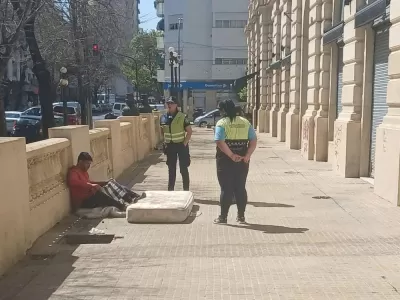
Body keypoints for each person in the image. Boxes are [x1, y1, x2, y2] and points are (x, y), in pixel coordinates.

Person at [213, 99, 257, 224]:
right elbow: (253, 140)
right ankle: (241, 216)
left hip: (225, 161)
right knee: (240, 188)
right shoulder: (245, 122)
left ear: (224, 111)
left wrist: (231, 155)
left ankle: (223, 217)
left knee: (226, 189)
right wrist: (248, 155)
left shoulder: (221, 123)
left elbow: (220, 142)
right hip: (243, 161)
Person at [67, 152, 140, 212]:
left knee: (111, 184)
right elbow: (74, 182)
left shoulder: (84, 172)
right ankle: (122, 206)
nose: (88, 166)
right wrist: (92, 186)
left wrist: (104, 182)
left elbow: (89, 182)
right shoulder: (73, 172)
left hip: (90, 197)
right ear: (80, 162)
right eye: (87, 163)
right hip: (83, 202)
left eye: (89, 164)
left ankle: (133, 197)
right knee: (100, 195)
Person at [160, 96, 192, 191]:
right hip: (170, 146)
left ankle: (186, 190)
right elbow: (162, 130)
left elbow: (189, 131)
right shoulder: (163, 117)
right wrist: (165, 142)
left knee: (183, 169)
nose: (169, 105)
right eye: (168, 103)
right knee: (171, 169)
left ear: (176, 105)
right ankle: (170, 191)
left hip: (181, 145)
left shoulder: (182, 117)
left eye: (171, 103)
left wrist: (184, 143)